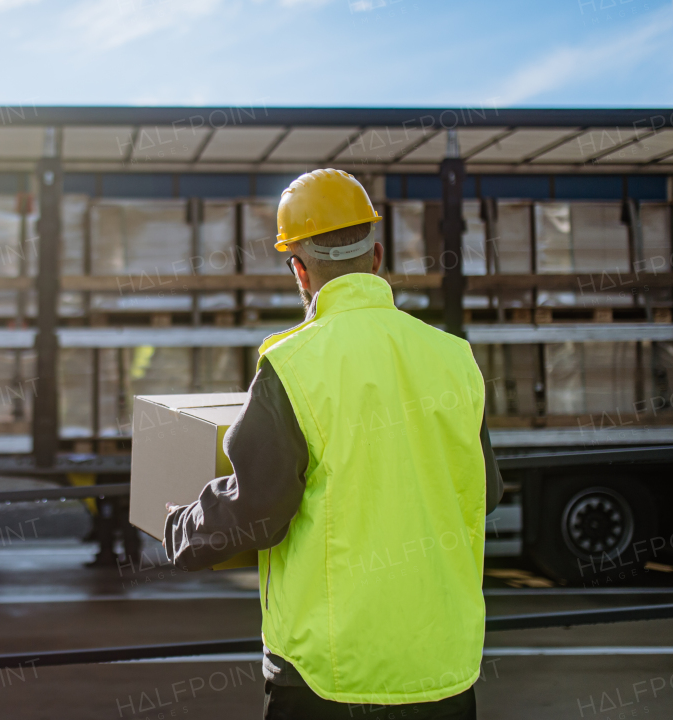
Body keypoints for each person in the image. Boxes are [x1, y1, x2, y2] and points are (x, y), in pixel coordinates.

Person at [163, 169, 503, 720]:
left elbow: (259, 511)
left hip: (328, 677)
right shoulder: (454, 358)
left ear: (298, 268)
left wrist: (179, 528)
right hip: (442, 670)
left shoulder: (291, 366)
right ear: (377, 256)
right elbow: (483, 491)